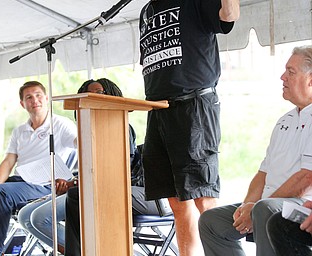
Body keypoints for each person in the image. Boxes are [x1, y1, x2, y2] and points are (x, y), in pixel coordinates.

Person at [138, 0, 240, 255]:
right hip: (158, 110)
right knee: (177, 202)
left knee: (203, 196)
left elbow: (229, 16)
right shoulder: (146, 11)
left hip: (193, 105)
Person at [18, 79, 159, 255]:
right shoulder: (88, 131)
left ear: (111, 95)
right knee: (25, 216)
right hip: (86, 187)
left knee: (40, 218)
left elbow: (113, 170)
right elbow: (91, 169)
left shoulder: (119, 126)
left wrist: (75, 185)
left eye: (99, 93)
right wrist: (72, 182)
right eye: (88, 93)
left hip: (113, 189)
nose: (93, 96)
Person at [198, 45, 312, 256]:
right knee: (211, 221)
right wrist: (248, 204)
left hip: (301, 206)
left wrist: (257, 206)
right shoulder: (284, 121)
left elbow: (305, 179)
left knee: (263, 210)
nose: (282, 77)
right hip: (268, 203)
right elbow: (263, 173)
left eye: (291, 72)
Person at [0, 81, 77, 256]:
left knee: (1, 192)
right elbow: (8, 161)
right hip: (19, 183)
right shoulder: (19, 131)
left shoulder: (60, 124)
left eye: (38, 95)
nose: (34, 100)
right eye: (29, 97)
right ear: (23, 104)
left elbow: (81, 144)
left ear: (46, 98)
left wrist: (70, 181)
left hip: (44, 185)